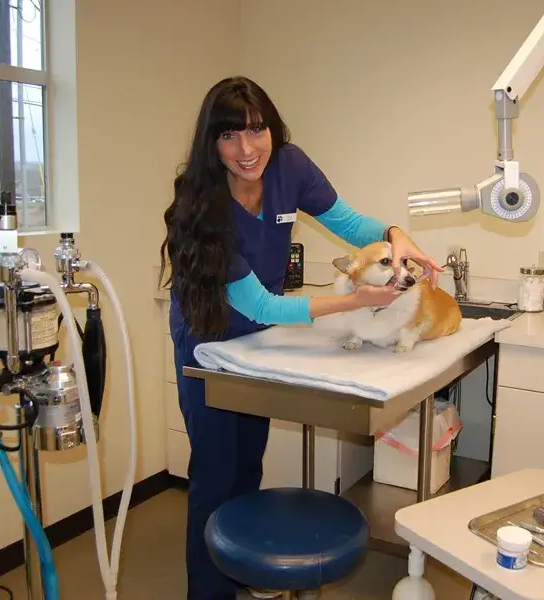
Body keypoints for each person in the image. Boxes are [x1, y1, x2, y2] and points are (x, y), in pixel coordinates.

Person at [159, 76, 444, 600]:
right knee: (215, 476)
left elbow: (349, 223)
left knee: (249, 464)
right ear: (210, 142)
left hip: (259, 342)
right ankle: (209, 593)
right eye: (229, 137)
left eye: (256, 130)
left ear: (272, 128)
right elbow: (262, 304)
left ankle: (240, 576)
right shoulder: (204, 204)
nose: (247, 150)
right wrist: (357, 302)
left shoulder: (290, 166)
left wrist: (394, 236)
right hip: (209, 343)